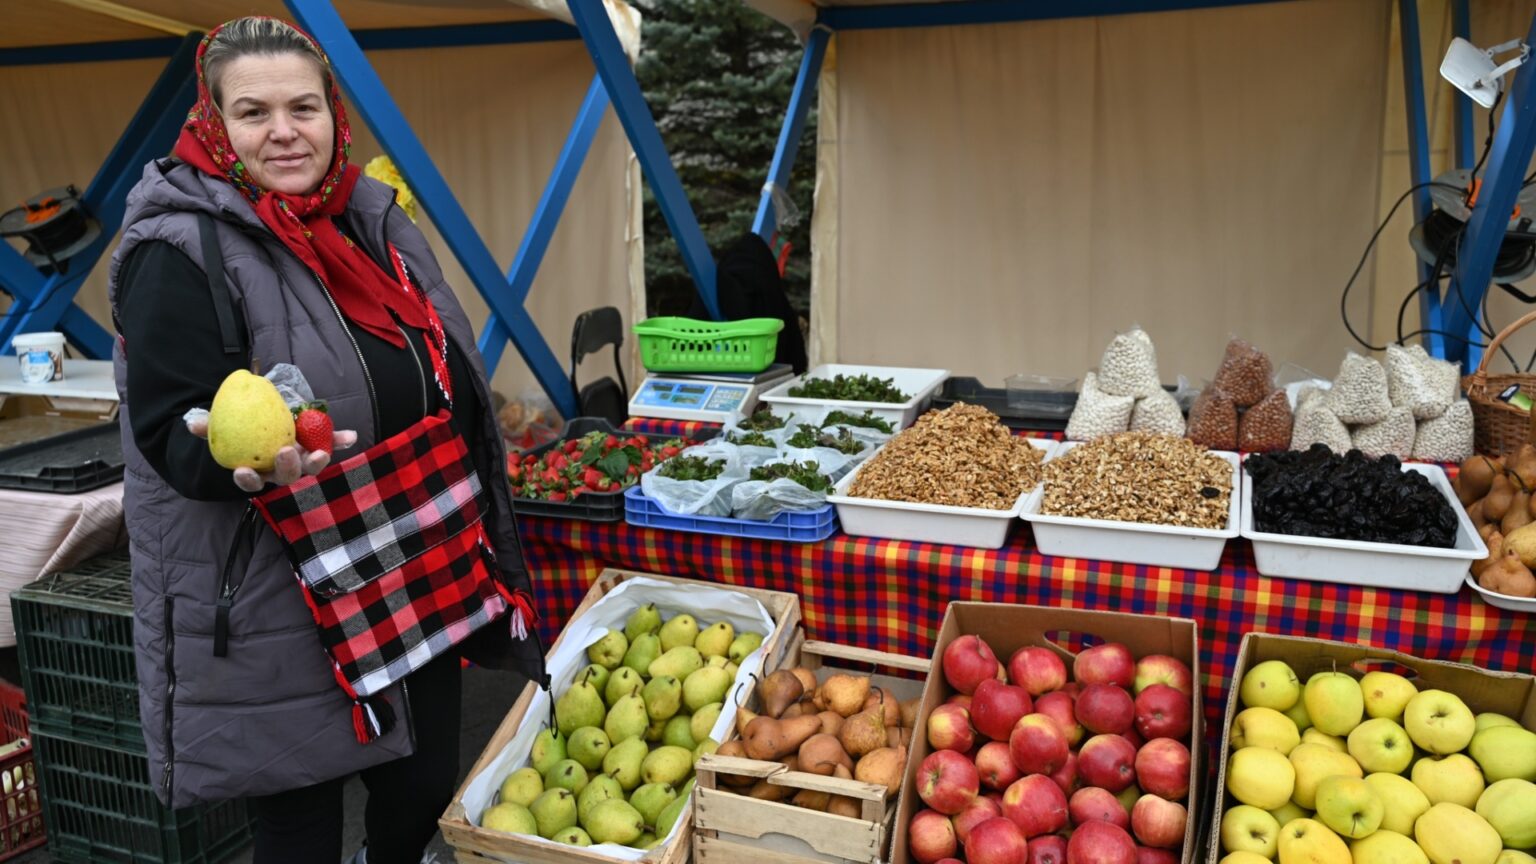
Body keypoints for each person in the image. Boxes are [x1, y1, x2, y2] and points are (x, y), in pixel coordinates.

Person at [108, 17, 541, 864]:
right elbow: (169, 431)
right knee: (300, 824)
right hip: (275, 586)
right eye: (253, 111)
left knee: (421, 789)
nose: (283, 131)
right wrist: (237, 463)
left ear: (333, 116)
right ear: (214, 123)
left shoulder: (367, 220)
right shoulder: (177, 248)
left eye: (302, 107)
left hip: (404, 562)